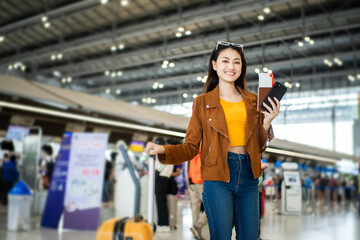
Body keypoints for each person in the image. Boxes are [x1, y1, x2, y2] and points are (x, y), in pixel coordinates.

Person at [145, 41, 280, 240]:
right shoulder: (202, 103)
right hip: (217, 177)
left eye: (237, 62)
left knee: (250, 236)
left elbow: (258, 146)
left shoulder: (253, 101)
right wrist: (163, 149)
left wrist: (267, 122)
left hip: (250, 176)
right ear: (215, 65)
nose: (231, 67)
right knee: (221, 236)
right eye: (225, 61)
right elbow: (191, 147)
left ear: (242, 67)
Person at [185, 150, 207, 240]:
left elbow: (186, 170)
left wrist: (188, 186)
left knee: (195, 208)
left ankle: (196, 233)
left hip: (191, 182)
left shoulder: (190, 151)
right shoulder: (203, 149)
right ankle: (198, 226)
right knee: (211, 207)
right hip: (201, 182)